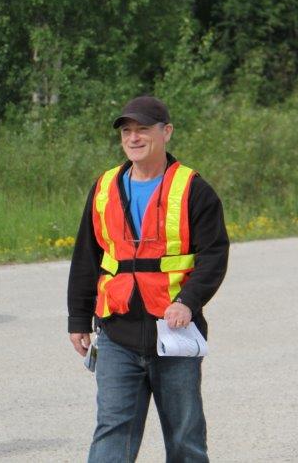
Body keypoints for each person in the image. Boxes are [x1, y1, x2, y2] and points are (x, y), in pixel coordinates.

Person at [67, 96, 230, 462]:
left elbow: (214, 255)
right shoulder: (104, 187)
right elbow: (87, 258)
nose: (134, 137)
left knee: (185, 438)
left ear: (166, 132)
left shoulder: (194, 189)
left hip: (174, 335)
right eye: (127, 130)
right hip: (116, 333)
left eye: (143, 129)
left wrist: (188, 301)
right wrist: (77, 319)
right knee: (112, 433)